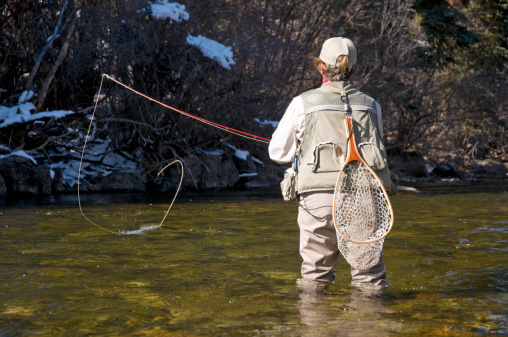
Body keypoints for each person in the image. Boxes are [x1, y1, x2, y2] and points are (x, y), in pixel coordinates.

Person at [268, 37, 391, 290]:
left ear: (320, 67)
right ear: (354, 69)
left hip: (318, 200)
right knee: (369, 277)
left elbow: (278, 153)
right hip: (364, 199)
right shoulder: (371, 105)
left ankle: (318, 325)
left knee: (316, 275)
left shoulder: (302, 102)